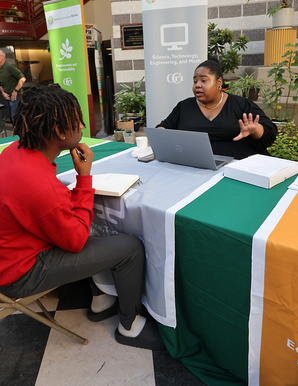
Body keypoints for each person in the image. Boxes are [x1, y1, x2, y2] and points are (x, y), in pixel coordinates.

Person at [0, 84, 163, 350]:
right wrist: (84, 179)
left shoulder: (15, 151)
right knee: (129, 247)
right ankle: (129, 325)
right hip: (19, 273)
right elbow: (75, 240)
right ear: (58, 131)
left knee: (91, 222)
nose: (82, 125)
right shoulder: (37, 183)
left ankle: (101, 300)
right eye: (76, 119)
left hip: (10, 252)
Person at [157, 59, 277, 159]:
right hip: (195, 167)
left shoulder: (240, 104)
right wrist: (161, 134)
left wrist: (255, 130)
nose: (197, 85)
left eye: (203, 80)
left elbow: (269, 133)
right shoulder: (184, 106)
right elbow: (164, 127)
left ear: (219, 82)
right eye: (195, 81)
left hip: (238, 167)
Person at [0, 50, 26, 123]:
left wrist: (15, 90)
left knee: (15, 117)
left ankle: (20, 133)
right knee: (12, 118)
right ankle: (16, 133)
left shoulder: (9, 66)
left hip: (16, 95)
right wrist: (3, 93)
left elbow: (22, 79)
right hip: (7, 96)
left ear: (2, 57)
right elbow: (0, 84)